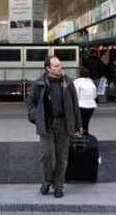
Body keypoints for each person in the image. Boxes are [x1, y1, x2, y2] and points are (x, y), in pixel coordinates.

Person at [25, 56, 82, 199]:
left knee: (62, 158)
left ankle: (58, 185)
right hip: (46, 124)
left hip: (64, 124)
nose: (60, 67)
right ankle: (47, 180)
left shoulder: (68, 82)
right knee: (47, 155)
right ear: (48, 69)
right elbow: (30, 102)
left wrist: (78, 124)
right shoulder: (39, 83)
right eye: (56, 66)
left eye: (60, 64)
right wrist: (35, 115)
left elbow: (75, 104)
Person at [72, 67, 97, 134]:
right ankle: (86, 134)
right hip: (91, 106)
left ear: (79, 74)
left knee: (78, 123)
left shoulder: (76, 83)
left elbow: (75, 95)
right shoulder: (92, 83)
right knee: (86, 122)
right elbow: (94, 95)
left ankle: (79, 135)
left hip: (80, 106)